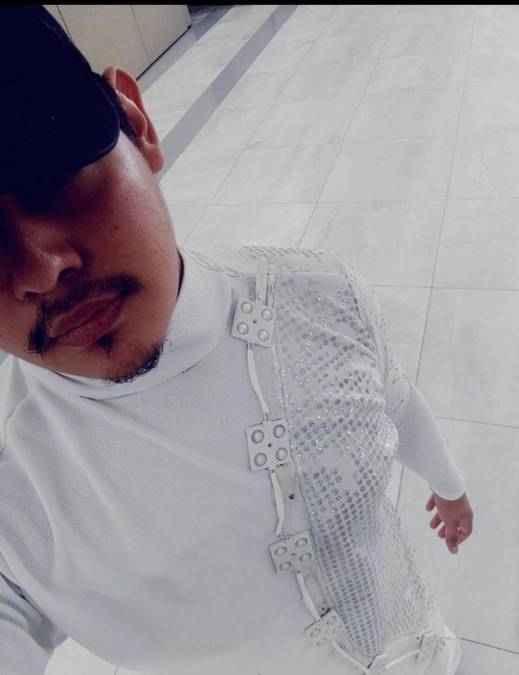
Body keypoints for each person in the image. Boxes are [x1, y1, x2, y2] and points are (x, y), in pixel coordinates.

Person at [0, 6, 473, 675]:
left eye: (49, 174)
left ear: (138, 125)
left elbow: (394, 398)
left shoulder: (321, 294)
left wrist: (449, 487)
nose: (38, 269)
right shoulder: (16, 487)